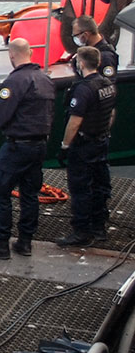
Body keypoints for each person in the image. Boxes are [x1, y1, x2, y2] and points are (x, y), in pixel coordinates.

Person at [0, 39, 56, 259]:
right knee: (30, 194)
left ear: (12, 55)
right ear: (30, 52)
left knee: (0, 190)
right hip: (39, 145)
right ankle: (25, 242)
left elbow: (2, 115)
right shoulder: (46, 79)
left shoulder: (14, 81)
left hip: (18, 145)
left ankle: (1, 243)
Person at [56, 45, 117, 247]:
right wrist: (102, 130)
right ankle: (99, 227)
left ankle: (81, 231)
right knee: (100, 184)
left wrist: (65, 146)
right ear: (98, 62)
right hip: (102, 140)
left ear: (81, 63)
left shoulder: (83, 89)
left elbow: (74, 121)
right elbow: (111, 113)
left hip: (84, 144)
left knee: (81, 187)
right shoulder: (107, 84)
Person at [71, 15, 118, 80]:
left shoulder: (106, 56)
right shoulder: (88, 51)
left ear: (85, 35)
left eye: (76, 35)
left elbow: (108, 84)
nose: (76, 39)